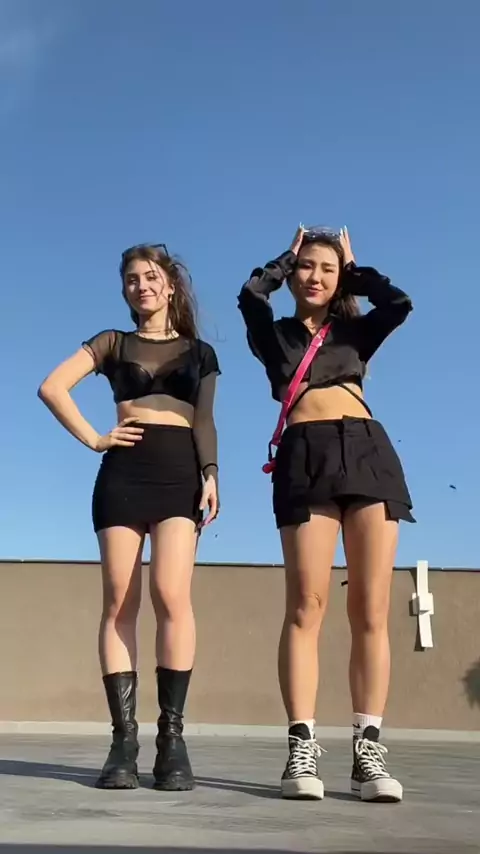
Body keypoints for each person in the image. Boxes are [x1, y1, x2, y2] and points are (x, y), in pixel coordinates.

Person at [237, 225, 413, 803]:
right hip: (305, 454)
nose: (315, 277)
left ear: (341, 278)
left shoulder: (356, 332)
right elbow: (250, 295)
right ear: (293, 275)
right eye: (307, 267)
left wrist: (356, 272)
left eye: (326, 269)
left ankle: (368, 752)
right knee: (306, 605)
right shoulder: (275, 335)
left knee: (371, 608)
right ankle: (301, 748)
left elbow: (399, 303)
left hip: (367, 451)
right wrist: (284, 260)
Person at [38, 242, 220, 792]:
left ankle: (172, 740)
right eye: (132, 279)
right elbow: (52, 387)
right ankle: (123, 741)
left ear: (170, 285)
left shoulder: (200, 352)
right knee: (119, 600)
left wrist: (211, 473)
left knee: (172, 595)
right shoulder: (112, 343)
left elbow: (204, 421)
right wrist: (96, 438)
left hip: (180, 475)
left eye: (150, 276)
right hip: (123, 474)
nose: (141, 286)